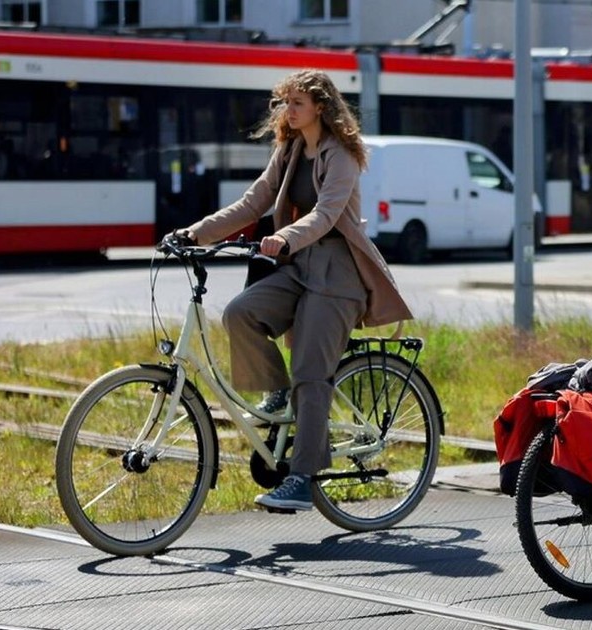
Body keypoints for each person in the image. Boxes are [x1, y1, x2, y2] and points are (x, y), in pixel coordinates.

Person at [173, 69, 413, 512]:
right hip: (298, 266)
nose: (288, 110)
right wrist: (195, 233)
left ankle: (303, 477)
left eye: (297, 103)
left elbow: (326, 214)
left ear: (319, 107)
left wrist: (285, 237)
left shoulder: (340, 155)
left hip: (338, 276)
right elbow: (253, 201)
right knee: (240, 313)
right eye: (285, 102)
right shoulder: (289, 149)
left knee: (310, 372)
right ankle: (275, 392)